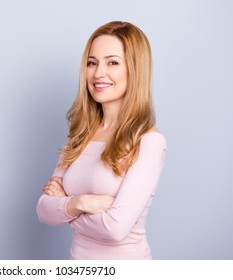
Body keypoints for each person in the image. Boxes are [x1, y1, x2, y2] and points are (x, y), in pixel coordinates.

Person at [36, 21, 167, 260]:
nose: (98, 73)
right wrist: (80, 203)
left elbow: (115, 228)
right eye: (92, 62)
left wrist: (65, 207)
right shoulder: (80, 134)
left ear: (135, 70)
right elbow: (43, 210)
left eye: (113, 62)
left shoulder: (149, 142)